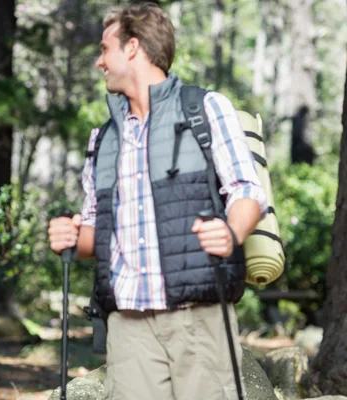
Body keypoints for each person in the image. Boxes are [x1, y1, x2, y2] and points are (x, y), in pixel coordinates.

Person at [48, 3, 267, 400]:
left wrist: (232, 232)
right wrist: (70, 235)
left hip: (199, 319)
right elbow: (96, 235)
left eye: (104, 49)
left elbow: (248, 190)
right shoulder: (104, 139)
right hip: (129, 326)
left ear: (132, 48)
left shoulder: (204, 108)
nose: (99, 62)